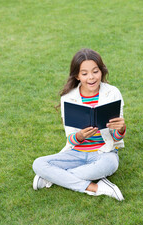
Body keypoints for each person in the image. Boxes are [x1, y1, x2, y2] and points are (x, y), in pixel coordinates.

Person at [32, 48, 126, 201]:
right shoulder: (68, 98)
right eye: (84, 73)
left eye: (95, 71)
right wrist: (81, 135)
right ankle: (96, 187)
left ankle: (52, 177)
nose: (91, 77)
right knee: (38, 164)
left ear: (101, 71)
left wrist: (121, 128)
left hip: (104, 153)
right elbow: (71, 139)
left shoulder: (112, 93)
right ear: (77, 75)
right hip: (76, 153)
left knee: (110, 165)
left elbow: (115, 137)